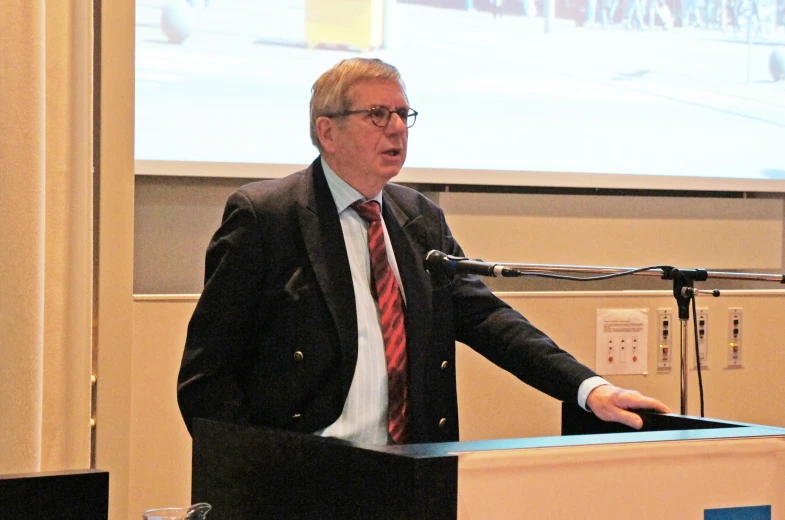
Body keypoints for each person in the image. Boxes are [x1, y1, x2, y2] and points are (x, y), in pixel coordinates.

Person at [177, 57, 671, 445]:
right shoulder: (267, 216)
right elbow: (206, 377)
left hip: (410, 471)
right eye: (377, 114)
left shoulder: (418, 219)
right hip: (304, 474)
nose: (396, 127)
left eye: (402, 114)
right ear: (327, 131)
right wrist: (254, 470)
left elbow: (487, 320)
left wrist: (590, 389)